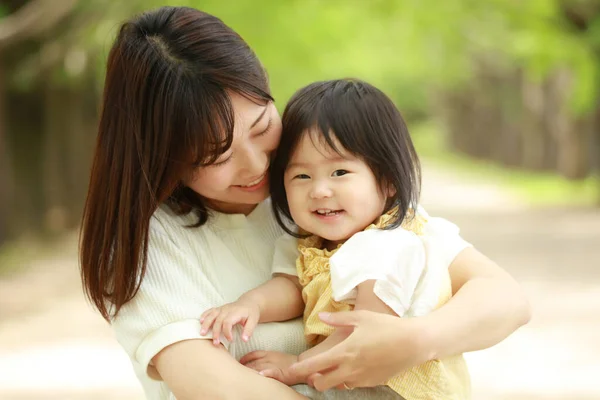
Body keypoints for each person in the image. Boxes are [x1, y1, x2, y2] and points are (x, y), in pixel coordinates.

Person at [79, 6, 531, 400]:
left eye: (260, 127)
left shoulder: (329, 195)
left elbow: (505, 299)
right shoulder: (148, 245)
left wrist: (414, 341)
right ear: (164, 157)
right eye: (216, 156)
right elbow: (218, 388)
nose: (257, 166)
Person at [199, 79, 471, 400]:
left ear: (388, 181)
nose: (319, 191)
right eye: (302, 176)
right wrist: (251, 305)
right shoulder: (307, 244)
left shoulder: (388, 245)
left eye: (340, 172)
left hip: (397, 389)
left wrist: (297, 366)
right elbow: (292, 287)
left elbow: (365, 332)